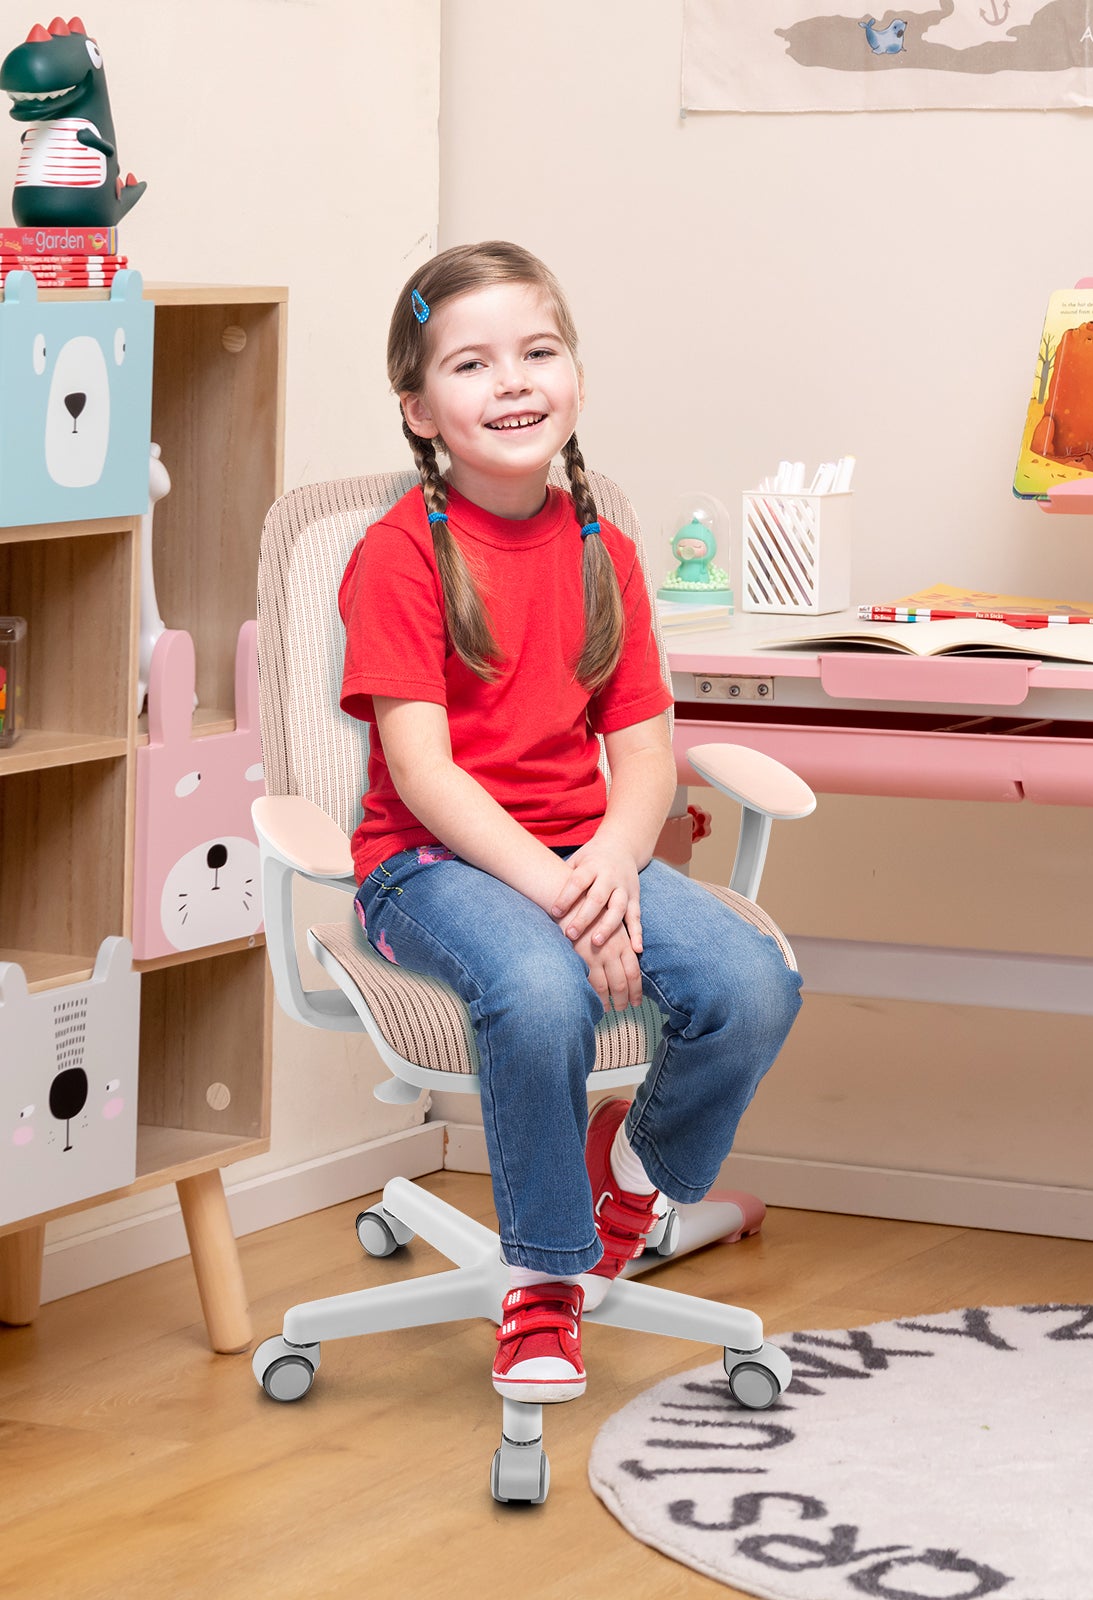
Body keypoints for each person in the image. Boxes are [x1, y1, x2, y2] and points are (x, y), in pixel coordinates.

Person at [338, 241, 804, 1403]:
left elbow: (645, 755)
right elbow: (424, 772)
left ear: (577, 381)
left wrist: (605, 860)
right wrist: (564, 899)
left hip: (574, 856)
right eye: (471, 363)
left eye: (538, 352)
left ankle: (636, 1165)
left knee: (752, 978)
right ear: (419, 408)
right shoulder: (398, 559)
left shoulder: (609, 557)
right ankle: (543, 1281)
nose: (512, 382)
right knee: (540, 988)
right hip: (429, 867)